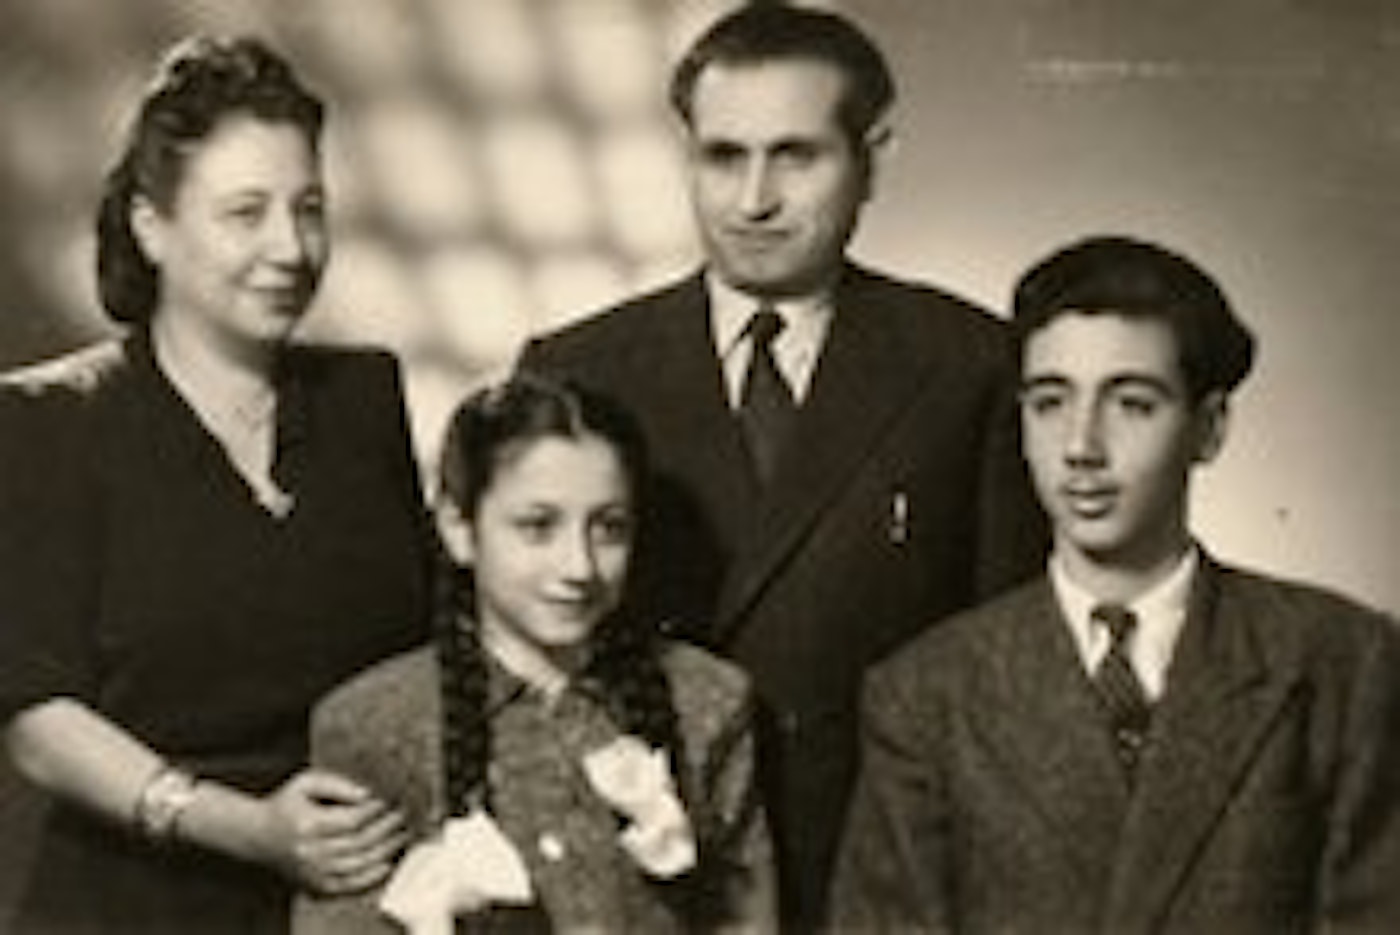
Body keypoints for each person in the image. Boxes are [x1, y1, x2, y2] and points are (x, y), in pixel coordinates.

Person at [517, 6, 1045, 925]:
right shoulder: (578, 369)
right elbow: (518, 663)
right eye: (723, 157)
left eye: (795, 156)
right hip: (646, 884)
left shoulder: (970, 365)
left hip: (886, 878)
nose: (753, 200)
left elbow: (1009, 677)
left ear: (871, 159)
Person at [832, 235, 1400, 933]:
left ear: (1209, 428)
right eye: (1049, 402)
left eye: (1131, 404)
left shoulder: (1340, 663)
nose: (1081, 447)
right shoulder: (926, 695)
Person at [0, 37, 433, 933]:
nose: (290, 248)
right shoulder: (51, 421)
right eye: (246, 213)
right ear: (151, 226)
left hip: (353, 904)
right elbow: (39, 722)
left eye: (309, 209)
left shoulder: (363, 400)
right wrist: (247, 827)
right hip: (135, 905)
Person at [291, 375, 775, 934]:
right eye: (538, 526)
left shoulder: (707, 701)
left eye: (609, 528)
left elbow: (747, 920)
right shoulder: (373, 725)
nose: (579, 566)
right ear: (458, 527)